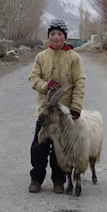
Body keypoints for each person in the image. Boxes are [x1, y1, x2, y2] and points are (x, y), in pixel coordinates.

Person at [27, 18, 86, 194]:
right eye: (52, 34)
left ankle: (58, 181)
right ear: (49, 36)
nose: (55, 37)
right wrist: (45, 85)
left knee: (60, 149)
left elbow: (79, 82)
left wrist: (75, 107)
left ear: (65, 37)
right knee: (39, 147)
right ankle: (36, 178)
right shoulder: (41, 57)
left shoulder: (74, 58)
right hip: (45, 112)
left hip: (64, 114)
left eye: (59, 34)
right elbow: (33, 79)